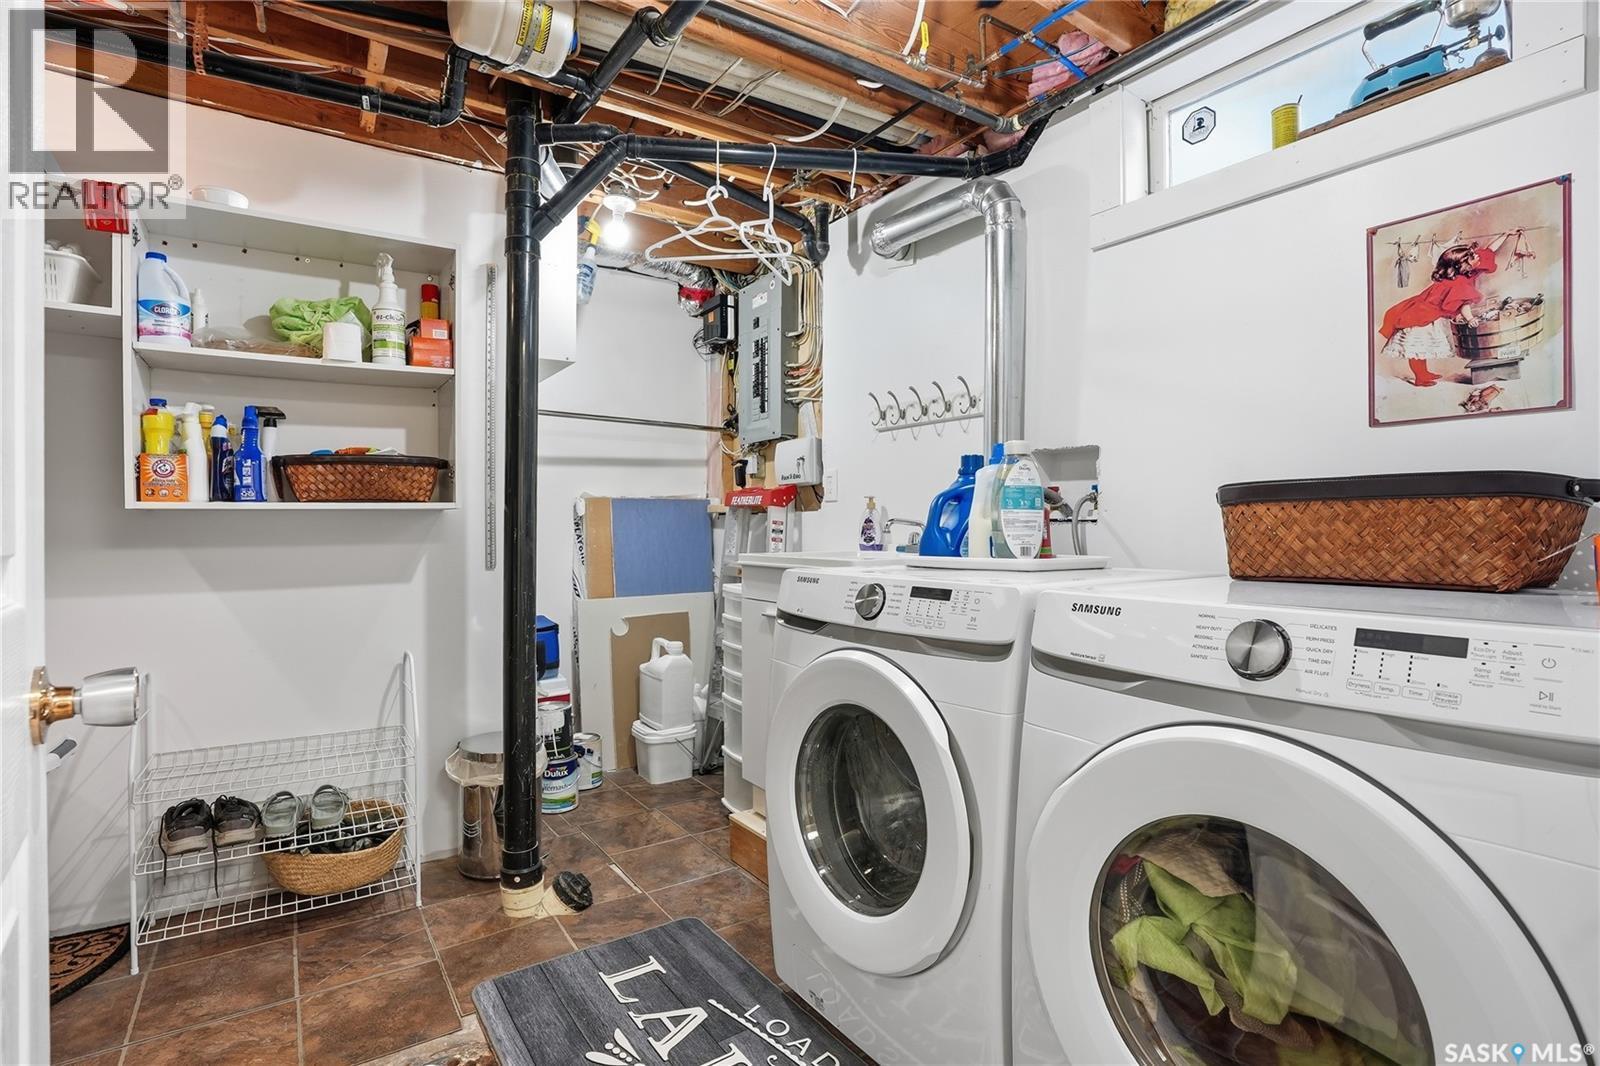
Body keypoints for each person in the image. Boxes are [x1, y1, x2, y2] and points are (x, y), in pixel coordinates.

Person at [1378, 230, 1516, 387]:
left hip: (1429, 313)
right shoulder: (1458, 282)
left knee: (1422, 348)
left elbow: (1488, 251)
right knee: (1418, 348)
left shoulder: (1464, 272)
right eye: (1472, 256)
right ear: (1462, 264)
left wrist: (1506, 235)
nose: (1477, 256)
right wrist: (1470, 319)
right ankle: (1420, 377)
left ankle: (1423, 373)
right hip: (1421, 317)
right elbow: (1464, 304)